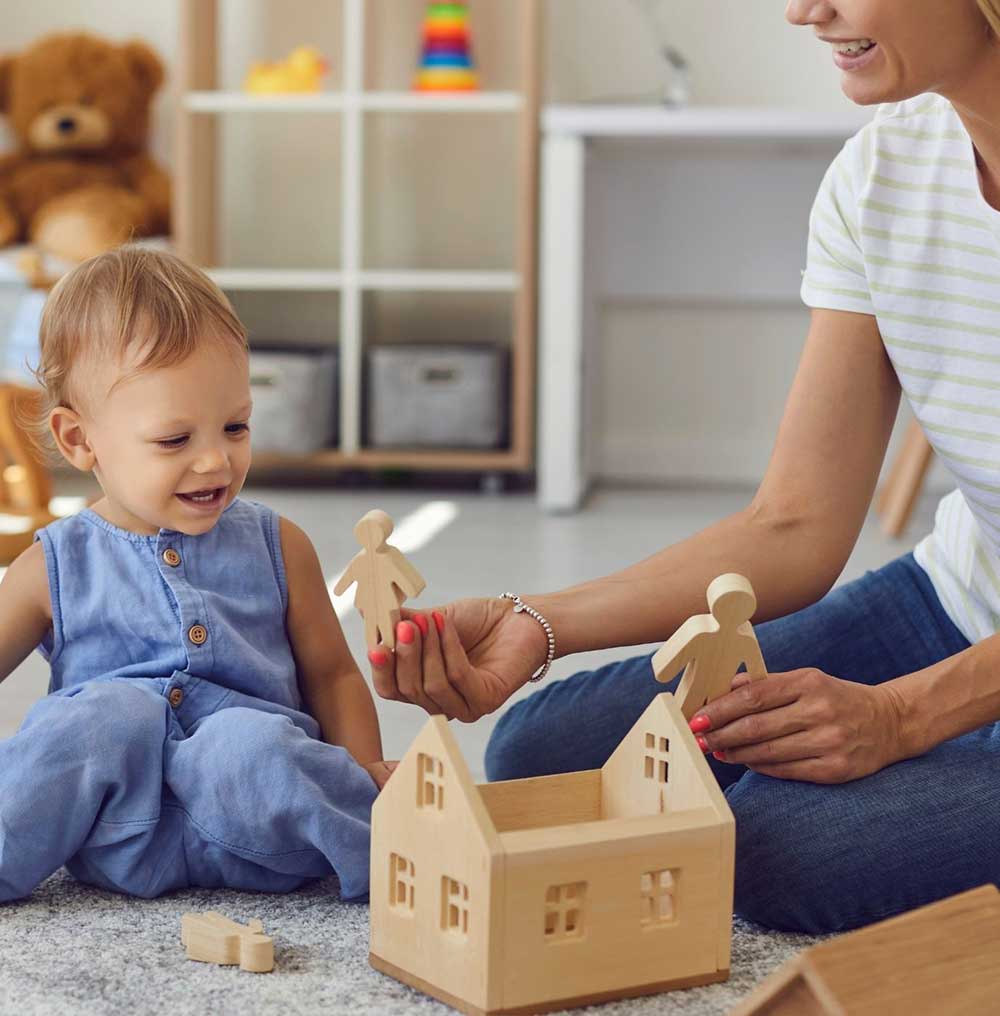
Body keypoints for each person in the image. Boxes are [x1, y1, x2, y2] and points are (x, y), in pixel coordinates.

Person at [366, 0, 1000, 934]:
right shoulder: (883, 172)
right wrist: (539, 625)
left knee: (773, 848)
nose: (804, 10)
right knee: (550, 752)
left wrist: (903, 720)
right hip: (956, 603)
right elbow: (794, 523)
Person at [0, 246, 392, 904]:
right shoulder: (53, 563)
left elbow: (333, 674)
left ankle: (394, 844)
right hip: (116, 831)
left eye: (235, 427)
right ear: (79, 440)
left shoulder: (278, 544)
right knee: (99, 718)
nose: (215, 461)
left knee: (252, 742)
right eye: (175, 441)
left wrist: (365, 772)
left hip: (258, 819)